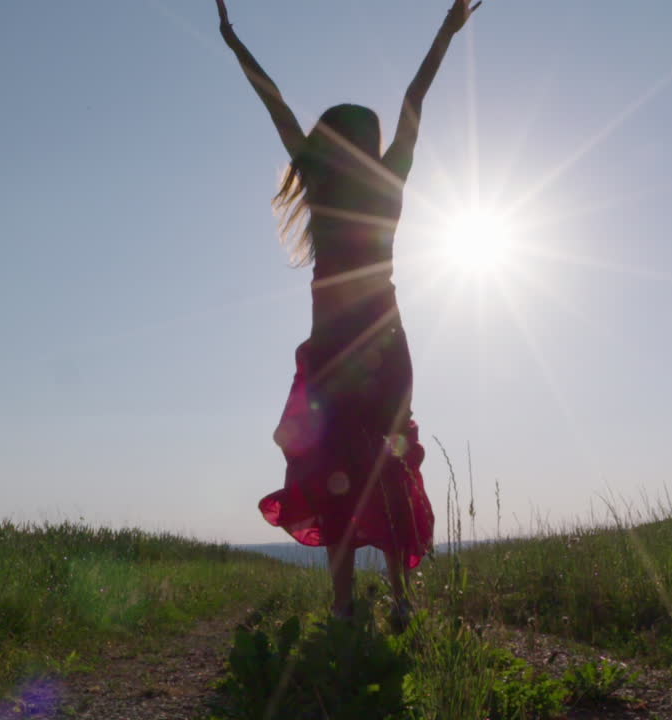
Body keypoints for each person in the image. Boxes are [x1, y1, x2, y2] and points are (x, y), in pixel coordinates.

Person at [217, 0, 480, 628]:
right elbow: (415, 98)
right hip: (384, 342)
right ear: (372, 143)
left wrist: (234, 42)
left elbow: (274, 102)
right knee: (387, 465)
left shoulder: (320, 180)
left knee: (336, 472)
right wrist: (447, 30)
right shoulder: (389, 182)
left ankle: (344, 607)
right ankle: (400, 599)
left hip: (336, 349)